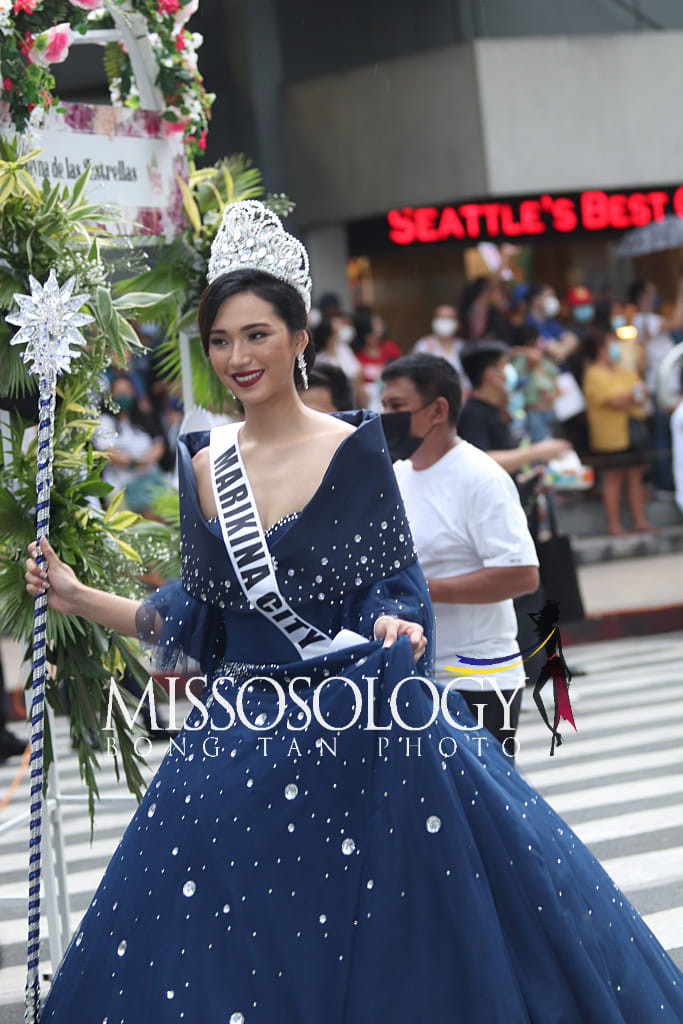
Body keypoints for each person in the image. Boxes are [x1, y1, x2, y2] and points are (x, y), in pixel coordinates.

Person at [26, 200, 683, 1023]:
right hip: (240, 729)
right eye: (221, 339)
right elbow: (196, 620)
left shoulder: (354, 448)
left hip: (358, 723)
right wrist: (76, 595)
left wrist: (395, 622)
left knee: (392, 932)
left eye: (257, 333)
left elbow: (391, 585)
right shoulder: (202, 465)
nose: (237, 356)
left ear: (301, 338)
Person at [380, 353, 539, 752]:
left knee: (482, 810)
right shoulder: (396, 474)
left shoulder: (480, 477)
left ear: (437, 410)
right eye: (383, 406)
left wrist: (422, 591)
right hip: (415, 674)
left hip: (478, 680)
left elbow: (521, 574)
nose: (386, 416)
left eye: (396, 407)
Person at [458, 340, 571, 474]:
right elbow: (481, 460)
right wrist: (537, 451)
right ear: (490, 374)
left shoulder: (494, 410)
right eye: (505, 365)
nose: (509, 371)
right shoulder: (473, 413)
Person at [582, 327, 654, 536]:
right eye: (609, 342)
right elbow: (615, 399)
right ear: (599, 348)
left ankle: (639, 521)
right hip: (611, 437)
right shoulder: (594, 373)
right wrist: (632, 396)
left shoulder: (622, 370)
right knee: (614, 478)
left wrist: (630, 396)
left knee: (635, 476)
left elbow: (640, 389)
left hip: (633, 433)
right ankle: (614, 525)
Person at [412, 303, 467, 382]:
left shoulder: (463, 347)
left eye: (449, 318)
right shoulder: (424, 345)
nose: (445, 322)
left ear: (458, 323)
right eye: (441, 317)